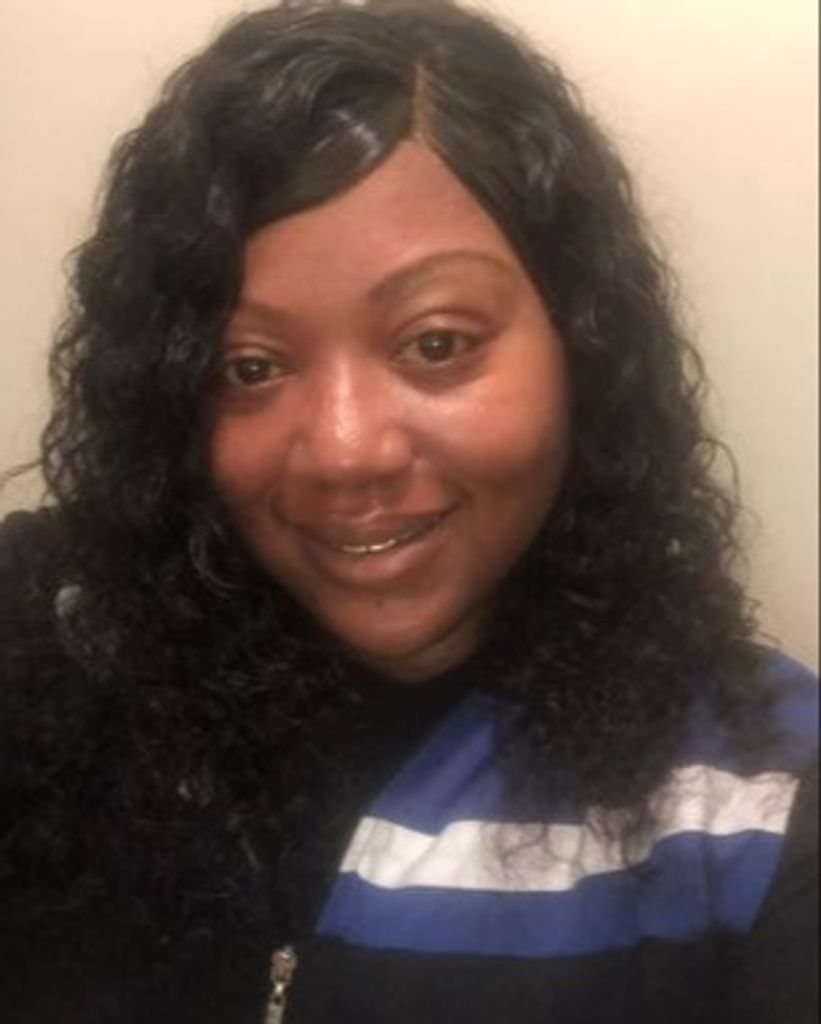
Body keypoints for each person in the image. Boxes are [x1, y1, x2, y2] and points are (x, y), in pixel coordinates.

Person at [0, 0, 816, 1021]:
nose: (346, 451)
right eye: (248, 366)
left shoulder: (754, 795)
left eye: (435, 343)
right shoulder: (51, 641)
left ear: (582, 345)